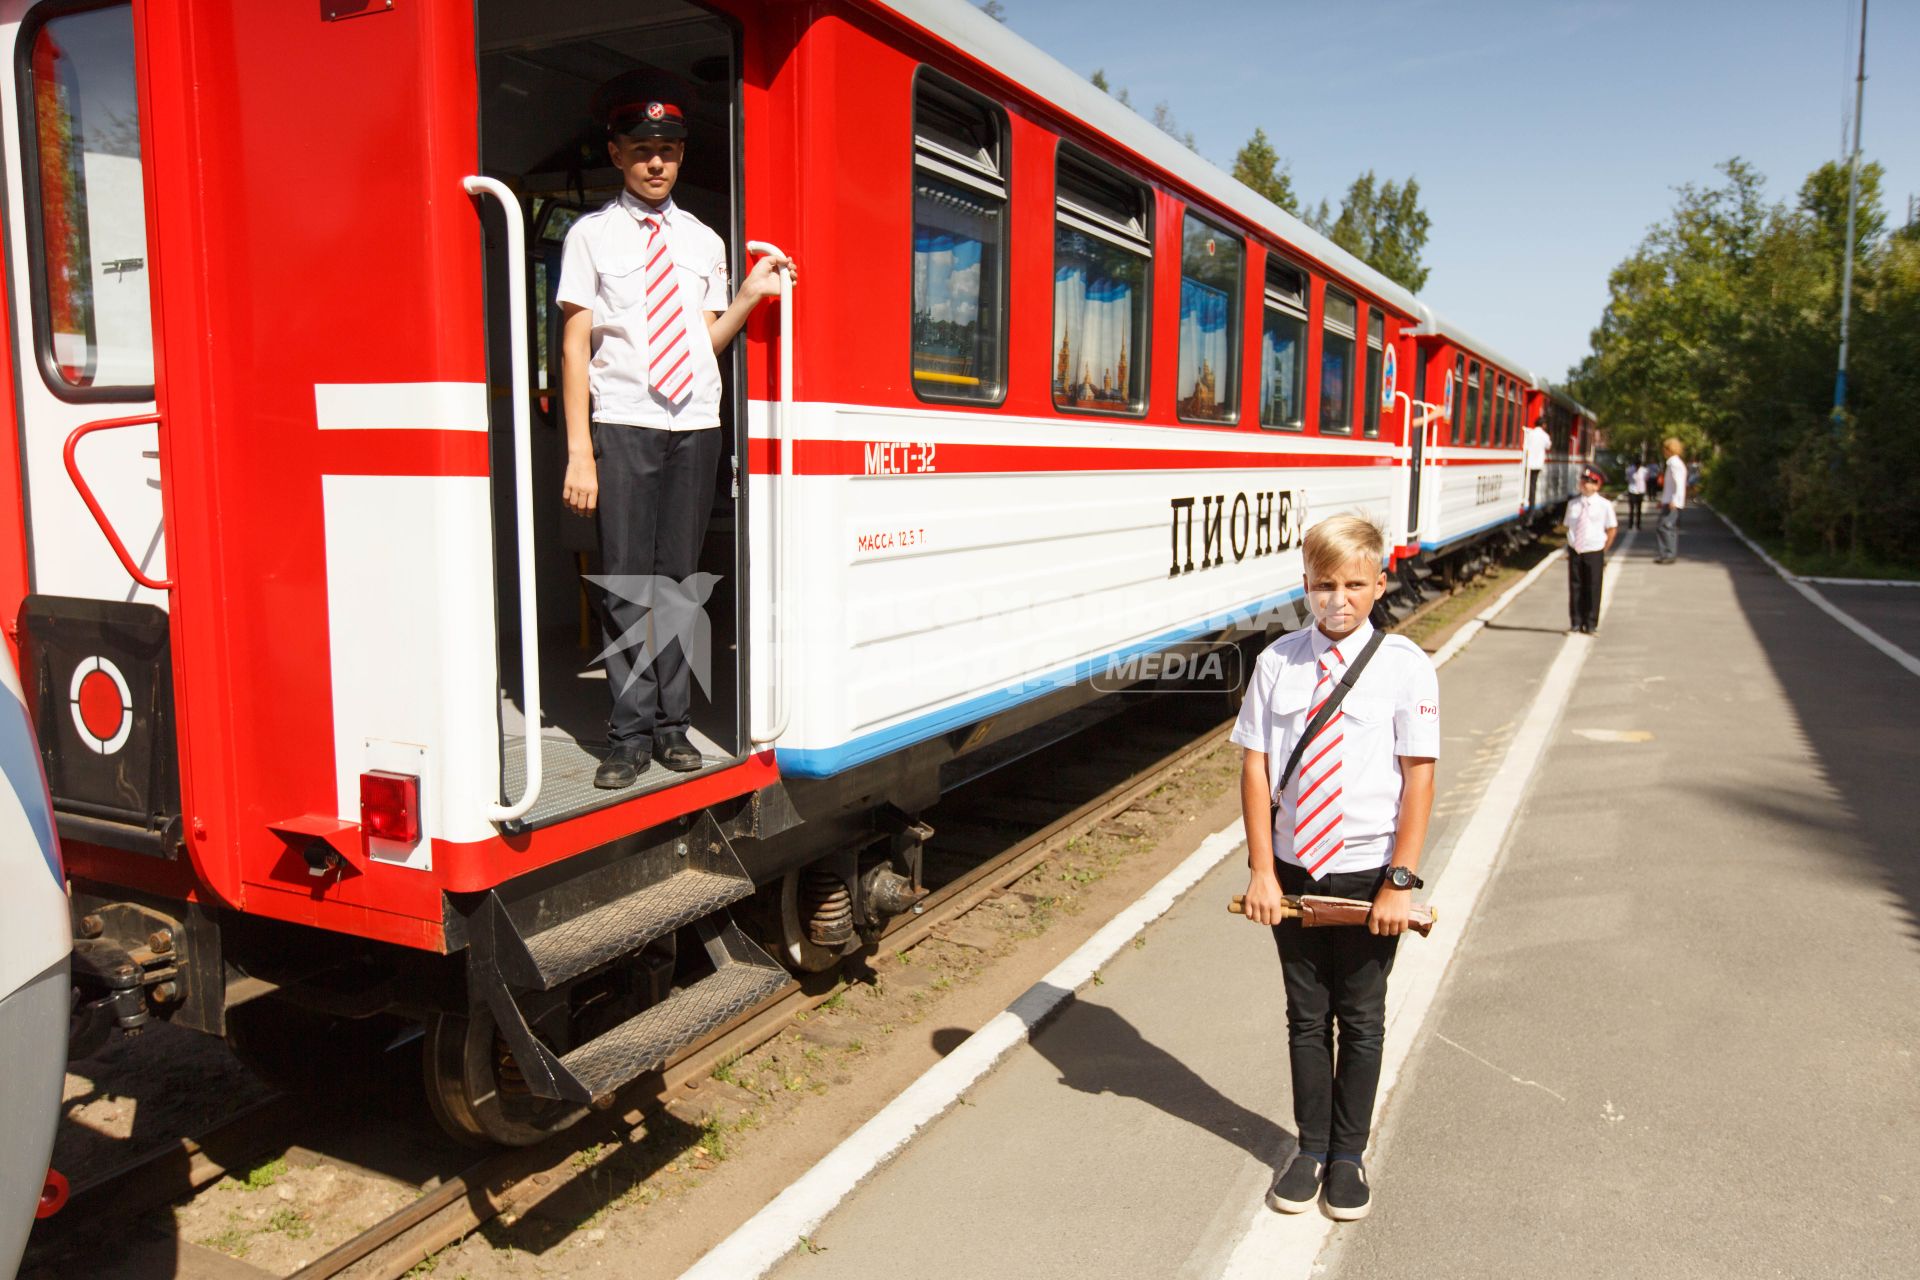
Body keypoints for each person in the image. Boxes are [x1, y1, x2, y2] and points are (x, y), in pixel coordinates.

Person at [557, 74, 794, 788]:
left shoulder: (702, 241)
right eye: (642, 151)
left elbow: (701, 342)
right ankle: (627, 733)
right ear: (616, 153)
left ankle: (672, 724)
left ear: (681, 158)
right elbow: (573, 346)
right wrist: (580, 452)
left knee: (678, 581)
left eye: (668, 151)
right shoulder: (590, 236)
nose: (656, 163)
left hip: (695, 422)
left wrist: (748, 299)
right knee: (629, 582)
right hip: (624, 423)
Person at [1231, 515, 1439, 1222]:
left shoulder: (1407, 666)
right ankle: (1310, 1147)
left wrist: (1399, 884)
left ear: (1381, 584)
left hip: (1365, 874)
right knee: (1305, 1017)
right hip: (1293, 873)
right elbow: (1256, 770)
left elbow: (1419, 779)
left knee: (1362, 1014)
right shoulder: (1276, 663)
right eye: (1324, 585)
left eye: (1355, 584)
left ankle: (1349, 1155)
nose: (1338, 599)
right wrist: (1263, 870)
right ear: (1305, 585)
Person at [1559, 466, 1617, 634]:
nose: (1584, 485)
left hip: (1594, 549)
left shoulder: (1604, 505)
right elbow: (1568, 525)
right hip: (1576, 549)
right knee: (1575, 586)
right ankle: (1576, 622)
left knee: (1593, 587)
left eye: (1589, 482)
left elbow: (1612, 528)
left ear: (1597, 485)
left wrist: (1603, 549)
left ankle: (1591, 624)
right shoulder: (1573, 504)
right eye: (1583, 481)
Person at [1655, 437, 1687, 564]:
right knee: (1670, 528)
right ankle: (1669, 554)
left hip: (1672, 502)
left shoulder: (1674, 463)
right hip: (1670, 500)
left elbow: (1678, 483)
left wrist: (1673, 499)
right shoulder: (1676, 463)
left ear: (1669, 449)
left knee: (1664, 526)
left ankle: (1668, 554)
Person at [1522, 417, 1551, 510]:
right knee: (1533, 485)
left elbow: (1525, 446)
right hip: (1537, 464)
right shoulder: (1545, 436)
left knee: (1527, 483)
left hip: (1528, 463)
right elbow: (1548, 446)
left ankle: (1525, 500)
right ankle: (1532, 506)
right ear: (1543, 425)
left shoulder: (1530, 433)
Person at [1625, 459, 1649, 530]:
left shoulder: (1644, 471)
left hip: (1640, 491)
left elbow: (1646, 479)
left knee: (1639, 509)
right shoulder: (1630, 470)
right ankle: (1630, 524)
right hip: (1632, 490)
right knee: (1631, 509)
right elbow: (1627, 479)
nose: (1637, 467)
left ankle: (1638, 524)